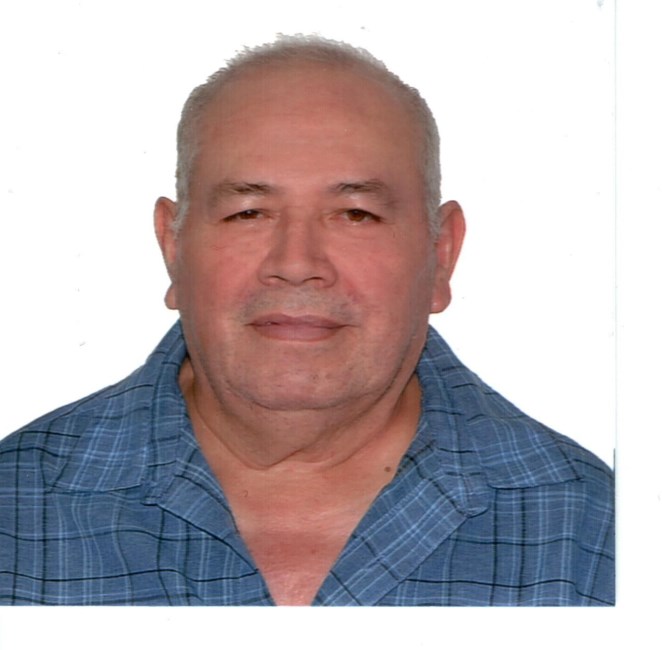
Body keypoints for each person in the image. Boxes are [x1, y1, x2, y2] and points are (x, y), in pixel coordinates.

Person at [0, 35, 614, 606]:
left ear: (440, 254)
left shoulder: (601, 532)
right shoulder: (14, 507)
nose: (296, 264)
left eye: (355, 214)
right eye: (248, 212)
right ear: (173, 245)